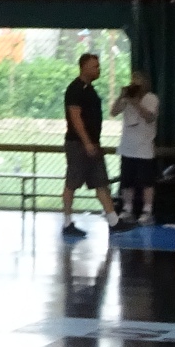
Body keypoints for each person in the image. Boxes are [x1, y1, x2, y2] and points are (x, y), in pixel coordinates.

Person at [61, 53, 119, 237]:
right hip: (78, 144)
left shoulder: (90, 90)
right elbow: (75, 118)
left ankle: (114, 221)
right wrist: (86, 142)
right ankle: (67, 222)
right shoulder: (75, 89)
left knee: (101, 182)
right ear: (84, 67)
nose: (98, 69)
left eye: (98, 66)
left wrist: (93, 143)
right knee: (72, 183)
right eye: (94, 66)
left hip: (93, 143)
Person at [110, 70, 159, 226]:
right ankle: (127, 208)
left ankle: (147, 210)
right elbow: (113, 112)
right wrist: (121, 96)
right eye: (132, 81)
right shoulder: (126, 99)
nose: (134, 84)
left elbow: (150, 117)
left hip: (144, 148)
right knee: (127, 181)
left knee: (146, 182)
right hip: (127, 146)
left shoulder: (151, 98)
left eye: (137, 81)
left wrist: (136, 103)